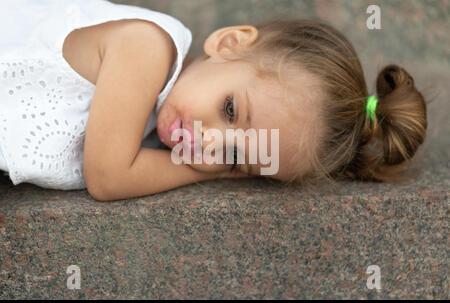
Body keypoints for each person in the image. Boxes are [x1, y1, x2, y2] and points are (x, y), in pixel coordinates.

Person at [0, 0, 427, 201]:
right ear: (229, 42)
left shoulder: (157, 121)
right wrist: (215, 172)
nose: (208, 143)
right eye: (230, 111)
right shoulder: (146, 49)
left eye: (238, 155)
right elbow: (108, 177)